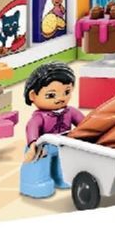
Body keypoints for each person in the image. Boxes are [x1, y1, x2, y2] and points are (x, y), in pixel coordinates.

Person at [19, 62, 84, 198]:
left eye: (67, 92)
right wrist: (33, 145)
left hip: (64, 144)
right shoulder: (39, 117)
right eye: (51, 95)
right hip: (43, 147)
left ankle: (62, 178)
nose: (61, 98)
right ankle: (34, 184)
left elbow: (84, 124)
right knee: (38, 166)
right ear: (33, 96)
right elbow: (32, 128)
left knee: (64, 165)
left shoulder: (70, 112)